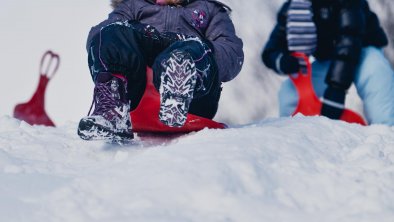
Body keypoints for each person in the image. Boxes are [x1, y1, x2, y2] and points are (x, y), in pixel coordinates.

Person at [77, 0, 244, 140]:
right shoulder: (133, 6)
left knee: (191, 49)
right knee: (111, 32)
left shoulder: (209, 11)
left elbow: (231, 53)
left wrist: (193, 45)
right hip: (136, 95)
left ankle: (177, 87)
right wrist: (136, 31)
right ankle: (112, 110)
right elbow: (99, 36)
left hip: (194, 101)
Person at [262, 0, 394, 125]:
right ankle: (292, 135)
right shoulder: (294, 9)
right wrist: (281, 60)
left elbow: (350, 38)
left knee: (377, 74)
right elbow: (271, 49)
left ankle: (386, 129)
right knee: (289, 93)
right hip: (330, 61)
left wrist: (336, 90)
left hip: (364, 52)